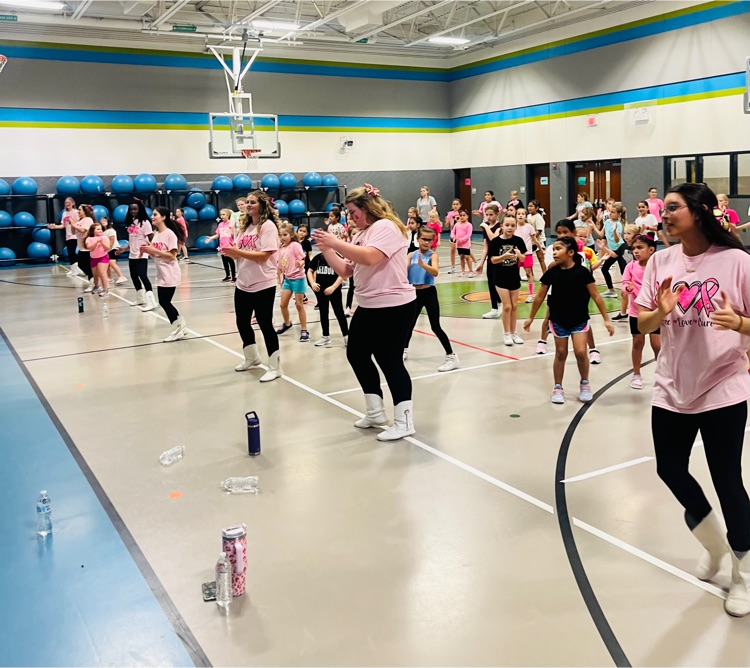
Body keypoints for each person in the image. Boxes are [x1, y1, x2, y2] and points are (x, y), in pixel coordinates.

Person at [636, 182, 750, 617]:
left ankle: (744, 574)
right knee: (670, 469)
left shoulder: (736, 261)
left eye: (671, 208)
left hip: (723, 386)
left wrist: (739, 322)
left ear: (699, 212)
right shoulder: (661, 260)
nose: (662, 215)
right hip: (672, 385)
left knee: (727, 480)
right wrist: (660, 312)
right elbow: (643, 325)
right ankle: (716, 546)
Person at [313, 184, 416, 441]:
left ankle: (404, 421)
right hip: (369, 305)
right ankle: (375, 411)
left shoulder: (386, 227)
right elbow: (347, 271)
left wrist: (336, 241)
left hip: (393, 305)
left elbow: (370, 258)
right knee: (356, 354)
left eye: (352, 211)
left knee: (389, 360)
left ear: (366, 207)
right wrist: (327, 248)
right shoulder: (362, 233)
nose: (351, 216)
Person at [524, 236, 614, 404]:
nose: (555, 252)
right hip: (558, 320)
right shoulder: (552, 272)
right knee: (561, 353)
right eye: (554, 249)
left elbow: (596, 296)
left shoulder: (582, 272)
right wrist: (530, 317)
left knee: (581, 352)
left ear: (571, 252)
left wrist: (606, 319)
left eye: (559, 249)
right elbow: (539, 297)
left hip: (579, 319)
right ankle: (558, 387)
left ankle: (585, 383)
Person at [221, 190, 281, 382]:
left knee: (265, 324)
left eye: (252, 202)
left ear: (262, 206)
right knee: (242, 321)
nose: (248, 205)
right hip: (243, 282)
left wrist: (238, 251)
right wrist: (231, 253)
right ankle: (252, 357)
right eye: (247, 202)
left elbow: (265, 255)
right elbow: (241, 252)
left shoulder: (268, 226)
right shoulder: (245, 226)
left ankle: (275, 366)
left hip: (263, 283)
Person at [403, 227, 459, 372]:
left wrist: (423, 265)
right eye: (424, 239)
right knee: (409, 324)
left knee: (435, 326)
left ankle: (451, 357)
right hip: (414, 294)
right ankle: (403, 350)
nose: (427, 242)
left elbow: (435, 272)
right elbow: (403, 271)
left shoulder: (432, 255)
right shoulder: (411, 255)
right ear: (417, 239)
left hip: (428, 293)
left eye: (429, 239)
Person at [138, 207, 187, 342]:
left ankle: (177, 328)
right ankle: (180, 326)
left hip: (170, 272)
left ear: (163, 217)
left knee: (165, 302)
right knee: (164, 302)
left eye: (155, 215)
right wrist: (147, 250)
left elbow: (172, 255)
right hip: (161, 273)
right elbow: (156, 252)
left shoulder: (169, 234)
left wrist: (154, 250)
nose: (152, 217)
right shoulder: (157, 233)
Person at [621, 234, 660, 389]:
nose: (636, 251)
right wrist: (627, 288)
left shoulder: (657, 267)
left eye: (640, 248)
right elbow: (625, 283)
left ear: (651, 250)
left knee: (657, 345)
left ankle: (661, 373)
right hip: (636, 312)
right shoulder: (631, 266)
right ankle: (636, 374)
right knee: (638, 342)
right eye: (634, 248)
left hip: (654, 312)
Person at [489, 214, 527, 345]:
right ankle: (506, 334)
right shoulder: (496, 242)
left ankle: (514, 332)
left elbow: (523, 259)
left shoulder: (518, 241)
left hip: (514, 277)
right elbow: (493, 260)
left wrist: (518, 254)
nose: (510, 228)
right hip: (500, 278)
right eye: (507, 225)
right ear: (502, 226)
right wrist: (503, 256)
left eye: (512, 225)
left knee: (514, 306)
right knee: (507, 306)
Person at [116, 201, 155, 309]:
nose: (133, 211)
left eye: (135, 209)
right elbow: (132, 239)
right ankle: (140, 299)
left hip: (141, 254)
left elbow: (151, 237)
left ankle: (151, 301)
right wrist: (124, 248)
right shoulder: (131, 222)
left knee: (143, 276)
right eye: (131, 209)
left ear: (140, 210)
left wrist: (154, 250)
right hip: (132, 254)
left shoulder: (145, 223)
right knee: (134, 276)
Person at [275, 222, 309, 342]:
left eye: (285, 235)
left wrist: (300, 263)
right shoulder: (281, 247)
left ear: (291, 235)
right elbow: (280, 264)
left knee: (299, 305)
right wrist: (279, 277)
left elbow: (302, 258)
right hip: (287, 279)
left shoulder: (295, 245)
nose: (282, 237)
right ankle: (287, 323)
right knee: (282, 304)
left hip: (298, 278)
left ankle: (304, 329)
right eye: (280, 235)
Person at [308, 250, 348, 347]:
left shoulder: (338, 258)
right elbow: (310, 270)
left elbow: (343, 274)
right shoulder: (318, 258)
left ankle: (346, 335)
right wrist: (312, 283)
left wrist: (333, 287)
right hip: (321, 291)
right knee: (323, 312)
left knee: (339, 312)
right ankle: (325, 336)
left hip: (334, 291)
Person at [475, 204, 502, 318]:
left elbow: (494, 239)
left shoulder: (500, 226)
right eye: (487, 215)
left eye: (491, 215)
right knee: (491, 283)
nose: (488, 217)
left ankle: (501, 303)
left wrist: (486, 227)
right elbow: (486, 246)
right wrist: (480, 263)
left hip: (500, 258)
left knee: (498, 283)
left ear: (497, 214)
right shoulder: (486, 226)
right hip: (490, 259)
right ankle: (494, 308)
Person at [48, 197, 80, 275]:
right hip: (68, 236)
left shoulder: (76, 212)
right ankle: (73, 269)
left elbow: (79, 223)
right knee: (70, 253)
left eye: (69, 202)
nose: (67, 204)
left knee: (72, 252)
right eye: (66, 202)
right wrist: (54, 227)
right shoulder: (64, 213)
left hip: (75, 236)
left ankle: (77, 269)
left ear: (73, 203)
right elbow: (63, 225)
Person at [206, 209, 236, 282]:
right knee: (224, 261)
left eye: (224, 214)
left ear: (228, 215)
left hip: (229, 245)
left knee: (230, 261)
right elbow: (218, 235)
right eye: (221, 214)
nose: (222, 216)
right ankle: (227, 275)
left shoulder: (231, 224)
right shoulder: (220, 225)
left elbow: (234, 234)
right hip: (222, 246)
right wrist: (211, 238)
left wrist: (231, 229)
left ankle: (234, 276)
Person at [514, 207, 537, 302]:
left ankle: (531, 294)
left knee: (528, 273)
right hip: (516, 255)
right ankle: (515, 292)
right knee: (515, 274)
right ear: (516, 216)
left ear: (525, 216)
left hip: (527, 254)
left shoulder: (529, 227)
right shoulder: (514, 226)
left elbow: (534, 240)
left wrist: (540, 248)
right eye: (518, 213)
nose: (520, 215)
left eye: (522, 214)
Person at [84, 222, 112, 297]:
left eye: (101, 229)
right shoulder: (89, 239)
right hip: (93, 258)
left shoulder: (105, 238)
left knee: (102, 273)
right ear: (93, 231)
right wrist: (96, 242)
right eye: (98, 229)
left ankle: (106, 289)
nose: (100, 230)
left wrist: (102, 242)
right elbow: (90, 248)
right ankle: (96, 286)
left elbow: (108, 247)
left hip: (103, 257)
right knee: (95, 275)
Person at [71, 204, 95, 286]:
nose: (78, 211)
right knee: (81, 264)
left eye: (80, 209)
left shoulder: (88, 220)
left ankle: (93, 283)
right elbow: (73, 232)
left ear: (85, 211)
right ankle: (93, 281)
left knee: (86, 265)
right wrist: (72, 223)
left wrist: (74, 225)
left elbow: (82, 230)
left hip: (87, 247)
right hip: (81, 248)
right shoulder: (80, 221)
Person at [99, 216, 127, 285]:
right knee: (107, 264)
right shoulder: (103, 232)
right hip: (107, 249)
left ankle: (121, 276)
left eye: (105, 221)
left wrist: (108, 247)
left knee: (112, 263)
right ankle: (110, 278)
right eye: (102, 221)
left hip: (113, 248)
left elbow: (112, 241)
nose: (103, 222)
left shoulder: (111, 230)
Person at [453, 209, 475, 277]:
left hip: (465, 244)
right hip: (459, 245)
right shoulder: (457, 224)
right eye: (461, 215)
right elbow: (453, 232)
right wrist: (453, 237)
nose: (462, 217)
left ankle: (471, 271)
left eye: (464, 215)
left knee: (467, 257)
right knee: (461, 257)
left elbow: (468, 235)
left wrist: (461, 240)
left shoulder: (469, 225)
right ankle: (463, 271)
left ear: (467, 216)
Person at [527, 200, 547, 273]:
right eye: (529, 206)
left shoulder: (538, 217)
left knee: (541, 258)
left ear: (537, 208)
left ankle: (545, 275)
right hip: (530, 242)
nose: (529, 208)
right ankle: (531, 274)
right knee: (529, 258)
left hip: (539, 241)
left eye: (531, 206)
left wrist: (533, 238)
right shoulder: (528, 216)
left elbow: (539, 230)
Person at [445, 198, 462, 274]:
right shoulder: (450, 213)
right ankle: (453, 267)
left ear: (460, 205)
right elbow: (447, 225)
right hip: (453, 234)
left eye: (457, 204)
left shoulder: (461, 213)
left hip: (461, 235)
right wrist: (447, 220)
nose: (455, 206)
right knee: (452, 250)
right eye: (454, 204)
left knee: (464, 252)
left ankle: (473, 262)